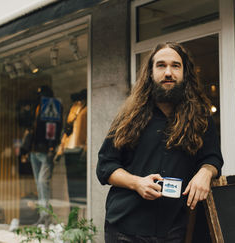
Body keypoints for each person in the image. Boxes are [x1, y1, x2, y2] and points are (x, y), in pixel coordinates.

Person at [96, 42, 224, 242]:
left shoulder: (200, 117)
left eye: (175, 66)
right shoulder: (128, 116)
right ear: (150, 73)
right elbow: (106, 166)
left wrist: (205, 173)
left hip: (175, 229)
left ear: (185, 73)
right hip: (125, 228)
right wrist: (137, 183)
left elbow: (213, 157)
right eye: (161, 65)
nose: (168, 72)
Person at [22, 85, 63, 224]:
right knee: (39, 184)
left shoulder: (51, 105)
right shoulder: (37, 107)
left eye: (41, 94)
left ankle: (46, 216)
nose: (39, 97)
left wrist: (51, 147)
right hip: (35, 150)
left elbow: (53, 126)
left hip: (45, 150)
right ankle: (42, 216)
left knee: (42, 182)